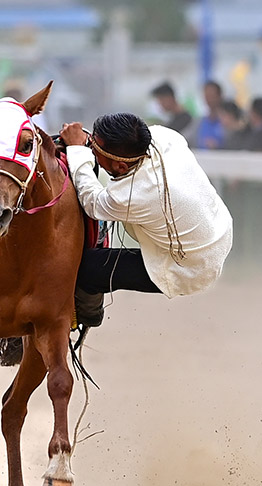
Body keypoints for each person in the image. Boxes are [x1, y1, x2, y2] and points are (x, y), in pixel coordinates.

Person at [59, 113, 233, 326]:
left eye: (96, 149)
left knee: (88, 268)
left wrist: (77, 149)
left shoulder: (133, 195)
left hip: (192, 266)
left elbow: (92, 202)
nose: (92, 148)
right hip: (218, 229)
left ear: (122, 167)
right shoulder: (165, 136)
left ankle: (85, 318)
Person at [195, 80, 225, 149]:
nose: (209, 99)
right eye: (207, 96)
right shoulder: (199, 123)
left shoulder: (227, 122)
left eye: (212, 96)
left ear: (219, 96)